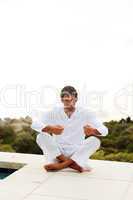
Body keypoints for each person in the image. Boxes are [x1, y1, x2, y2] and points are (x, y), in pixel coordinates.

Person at [31, 86, 108, 172]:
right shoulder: (53, 112)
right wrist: (50, 128)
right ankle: (69, 163)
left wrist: (93, 131)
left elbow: (105, 131)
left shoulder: (86, 113)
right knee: (41, 136)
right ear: (61, 99)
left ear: (76, 99)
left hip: (76, 152)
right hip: (57, 152)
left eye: (70, 97)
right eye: (64, 97)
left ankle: (61, 165)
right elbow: (34, 124)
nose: (67, 99)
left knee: (95, 140)